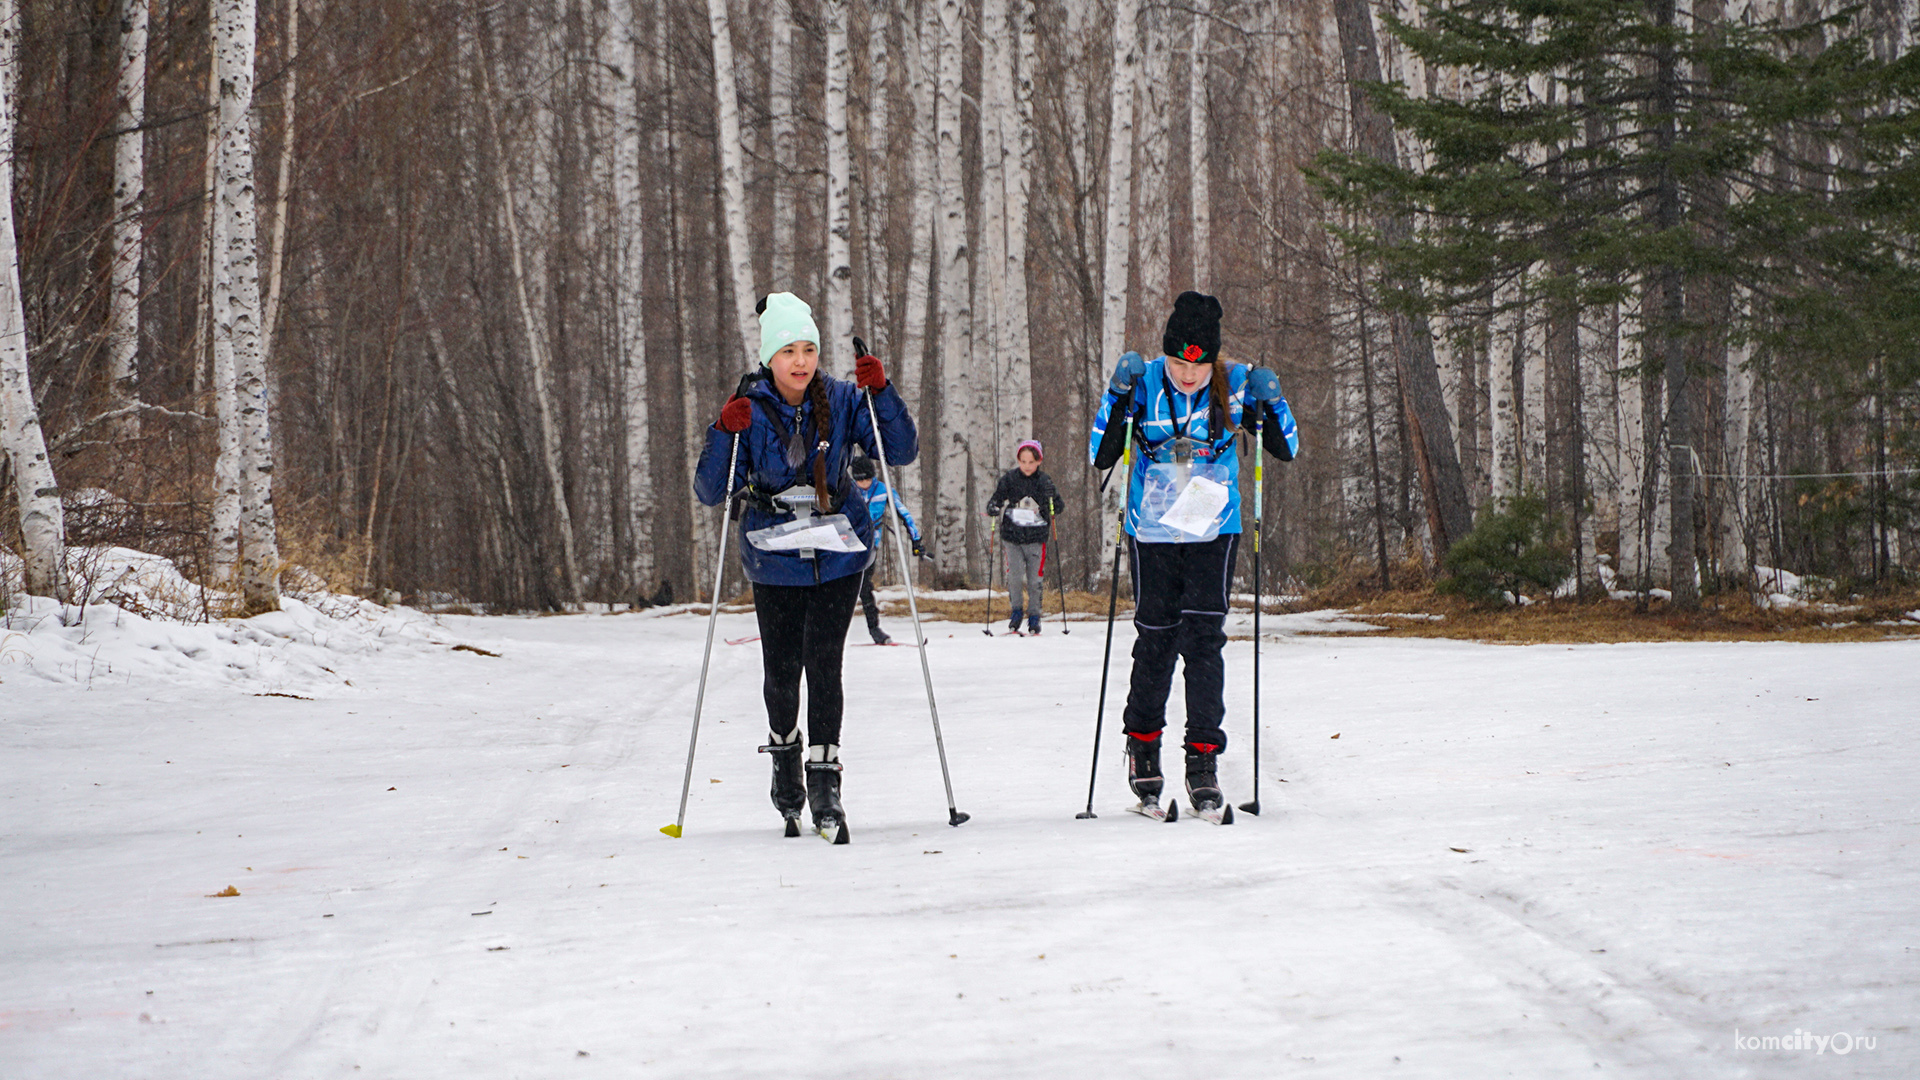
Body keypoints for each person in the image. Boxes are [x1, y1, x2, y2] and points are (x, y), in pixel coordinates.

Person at [694, 292, 917, 839]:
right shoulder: (747, 408)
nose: (800, 361)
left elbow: (902, 449)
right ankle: (784, 758)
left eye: (809, 349)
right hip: (774, 557)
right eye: (789, 350)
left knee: (825, 664)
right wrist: (724, 431)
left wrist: (881, 393)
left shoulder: (843, 399)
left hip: (838, 549)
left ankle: (824, 779)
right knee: (782, 671)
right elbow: (708, 490)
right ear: (770, 355)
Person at [1086, 290, 1298, 816]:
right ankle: (1144, 751)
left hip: (1212, 531)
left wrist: (1274, 402)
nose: (1187, 375)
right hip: (1153, 532)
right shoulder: (1144, 380)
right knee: (1156, 641)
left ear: (1213, 360)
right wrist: (1115, 394)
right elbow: (1102, 454)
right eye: (1180, 362)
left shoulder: (1237, 382)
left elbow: (1285, 447)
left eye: (1198, 366)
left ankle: (1203, 762)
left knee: (1204, 642)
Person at [985, 440, 1061, 635]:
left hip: (1036, 539)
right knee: (1015, 578)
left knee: (1035, 580)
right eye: (1023, 461)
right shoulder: (1010, 479)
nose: (1027, 466)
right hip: (1013, 537)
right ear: (1018, 460)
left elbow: (1058, 507)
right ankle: (1016, 612)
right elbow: (997, 498)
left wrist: (1050, 499)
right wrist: (993, 507)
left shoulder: (1044, 481)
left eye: (1031, 462)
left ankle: (1034, 616)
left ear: (1039, 462)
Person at [848, 454, 925, 645]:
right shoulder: (848, 490)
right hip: (847, 545)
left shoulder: (883, 491)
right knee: (840, 590)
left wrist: (916, 540)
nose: (863, 483)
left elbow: (904, 514)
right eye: (859, 479)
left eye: (866, 478)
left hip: (869, 546)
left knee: (864, 588)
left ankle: (874, 629)